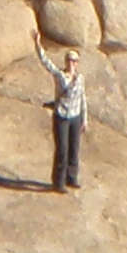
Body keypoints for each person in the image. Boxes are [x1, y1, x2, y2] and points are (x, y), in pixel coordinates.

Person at [40, 35, 85, 192]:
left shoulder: (80, 79)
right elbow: (46, 63)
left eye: (74, 61)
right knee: (62, 150)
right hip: (62, 116)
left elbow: (82, 99)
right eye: (69, 60)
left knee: (74, 149)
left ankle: (71, 177)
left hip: (75, 116)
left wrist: (84, 119)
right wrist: (37, 44)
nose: (71, 63)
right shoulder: (60, 75)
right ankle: (58, 182)